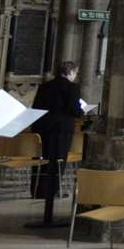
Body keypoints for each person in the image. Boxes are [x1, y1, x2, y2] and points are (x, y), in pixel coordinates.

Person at [26, 60, 86, 228]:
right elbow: (75, 110)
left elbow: (36, 107)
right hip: (61, 130)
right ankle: (52, 193)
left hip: (43, 129)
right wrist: (82, 112)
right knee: (59, 162)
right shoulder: (72, 87)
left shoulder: (45, 86)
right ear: (71, 72)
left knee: (43, 160)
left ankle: (39, 191)